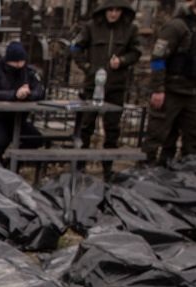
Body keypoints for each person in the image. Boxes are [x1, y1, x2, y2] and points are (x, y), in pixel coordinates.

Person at [143, 0, 196, 165]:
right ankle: (145, 169)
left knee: (193, 135)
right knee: (157, 135)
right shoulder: (176, 27)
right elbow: (158, 59)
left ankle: (185, 170)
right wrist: (158, 89)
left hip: (192, 90)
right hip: (171, 89)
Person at [71, 0, 143, 167]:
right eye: (110, 10)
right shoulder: (91, 27)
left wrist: (123, 60)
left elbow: (136, 52)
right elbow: (76, 48)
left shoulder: (130, 29)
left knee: (112, 129)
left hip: (116, 85)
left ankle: (107, 169)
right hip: (92, 84)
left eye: (117, 10)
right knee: (86, 126)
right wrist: (88, 67)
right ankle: (79, 167)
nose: (113, 14)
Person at [0, 41, 46, 164]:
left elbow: (40, 91)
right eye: (16, 62)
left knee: (36, 139)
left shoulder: (29, 72)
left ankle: (10, 164)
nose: (19, 65)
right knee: (0, 140)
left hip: (18, 120)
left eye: (22, 61)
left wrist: (28, 94)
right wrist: (14, 94)